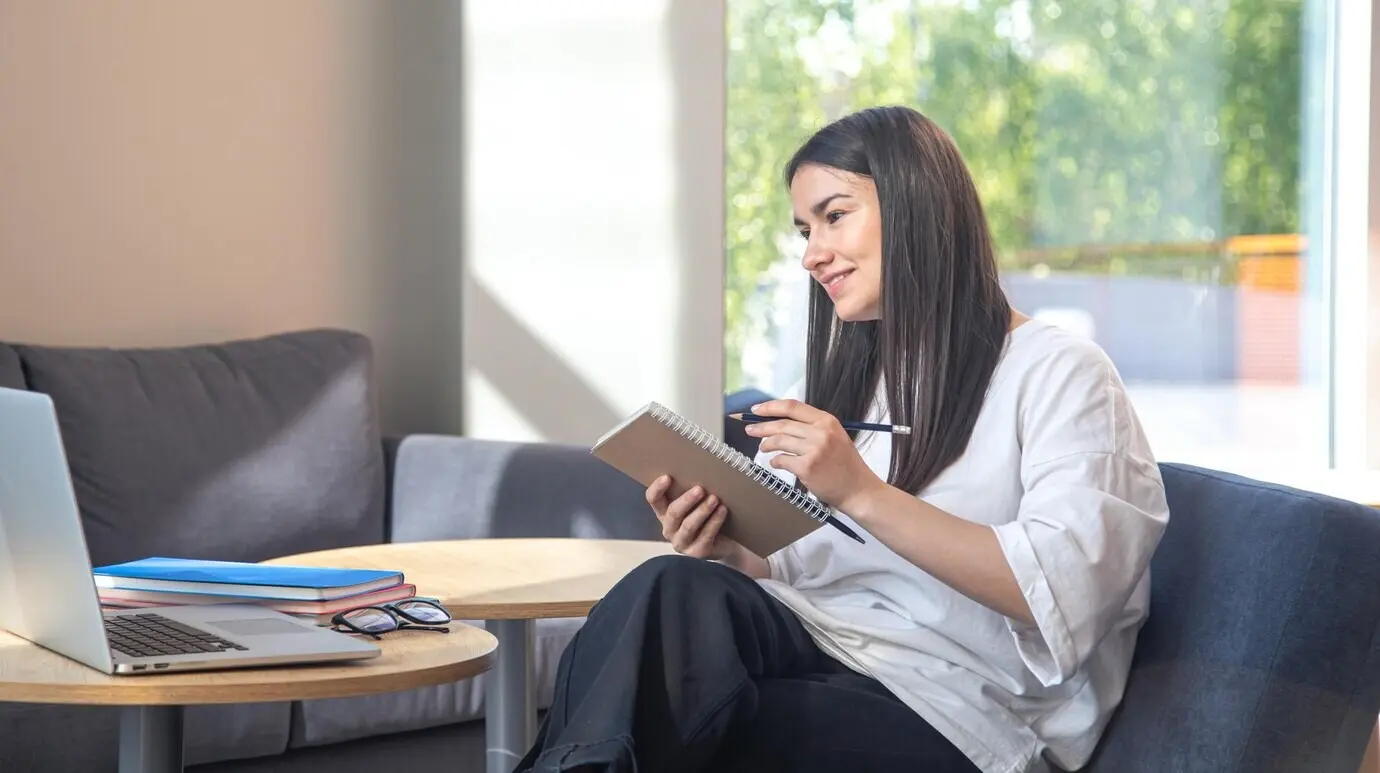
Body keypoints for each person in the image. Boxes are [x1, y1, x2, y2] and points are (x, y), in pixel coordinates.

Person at [515, 105, 1170, 773]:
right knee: (669, 586)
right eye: (804, 229)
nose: (811, 254)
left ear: (917, 203)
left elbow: (1063, 591)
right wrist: (735, 550)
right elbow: (812, 569)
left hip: (961, 712)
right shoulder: (857, 381)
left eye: (834, 215)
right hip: (830, 641)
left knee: (694, 730)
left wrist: (861, 491)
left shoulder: (1061, 373)